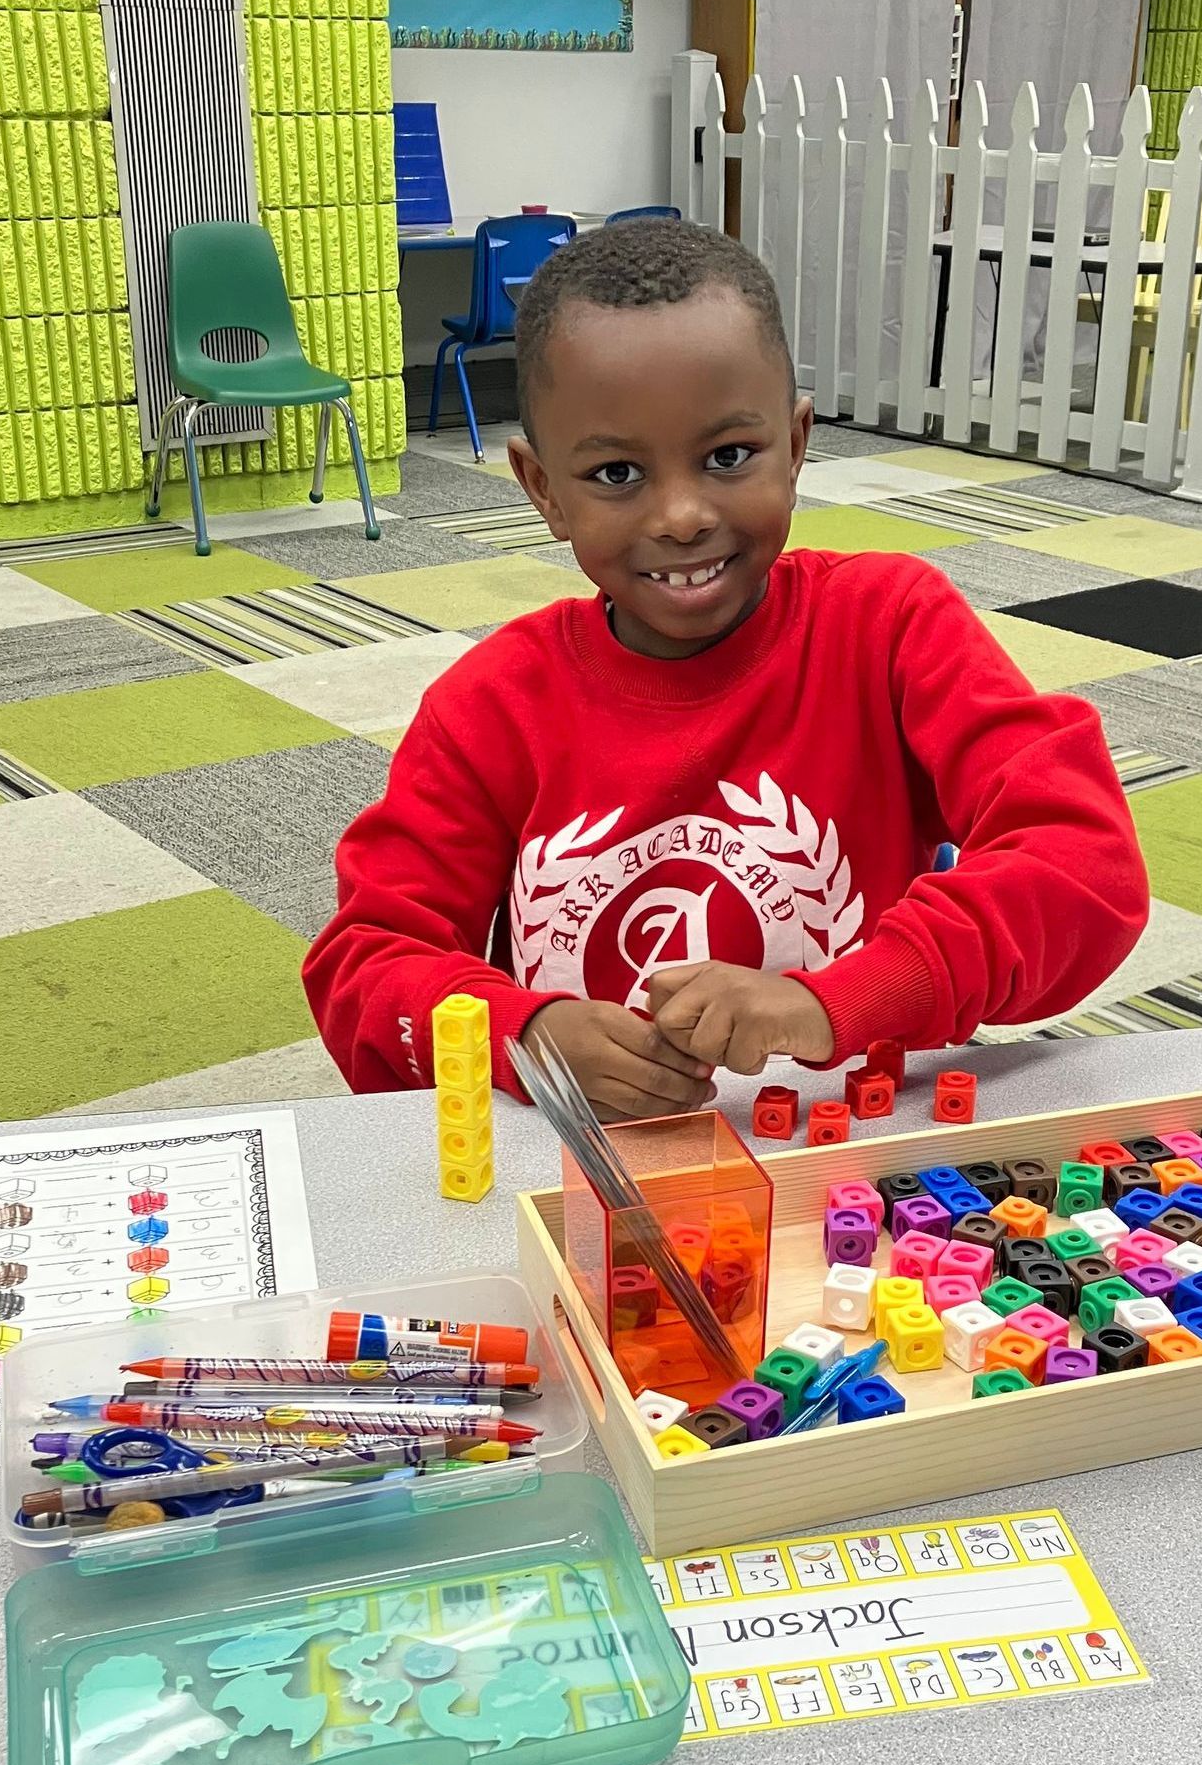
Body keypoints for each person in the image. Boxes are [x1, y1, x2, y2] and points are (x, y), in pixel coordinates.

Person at [304, 218, 1148, 1118]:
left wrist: (838, 1001)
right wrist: (525, 1033)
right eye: (617, 472)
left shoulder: (889, 627)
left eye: (729, 457)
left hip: (860, 1170)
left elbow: (1083, 864)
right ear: (542, 488)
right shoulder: (492, 704)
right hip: (588, 1177)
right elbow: (366, 966)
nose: (680, 514)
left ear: (796, 445)